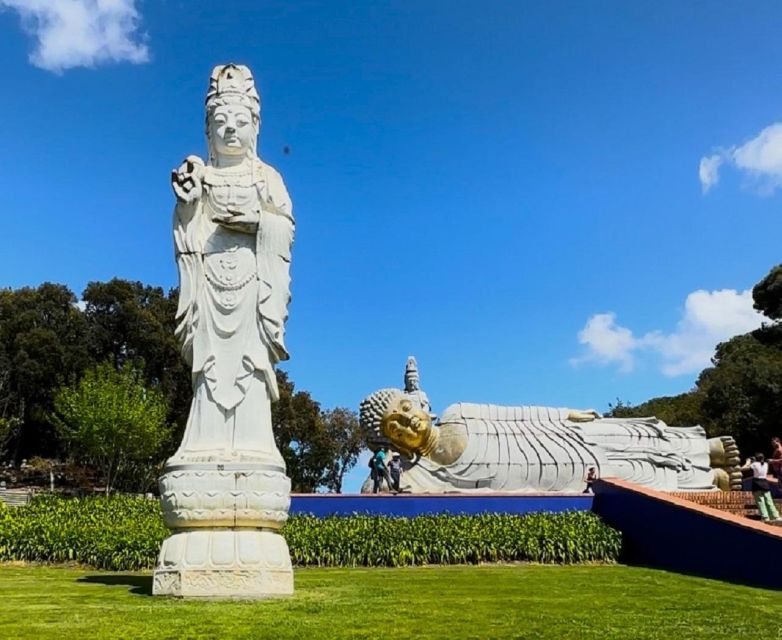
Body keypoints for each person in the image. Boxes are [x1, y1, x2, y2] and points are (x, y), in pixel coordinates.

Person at [742, 453, 781, 523]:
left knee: (760, 501)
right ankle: (775, 516)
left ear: (756, 459)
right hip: (765, 483)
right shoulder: (766, 464)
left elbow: (743, 468)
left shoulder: (754, 464)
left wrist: (748, 462)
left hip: (757, 483)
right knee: (769, 500)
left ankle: (765, 517)